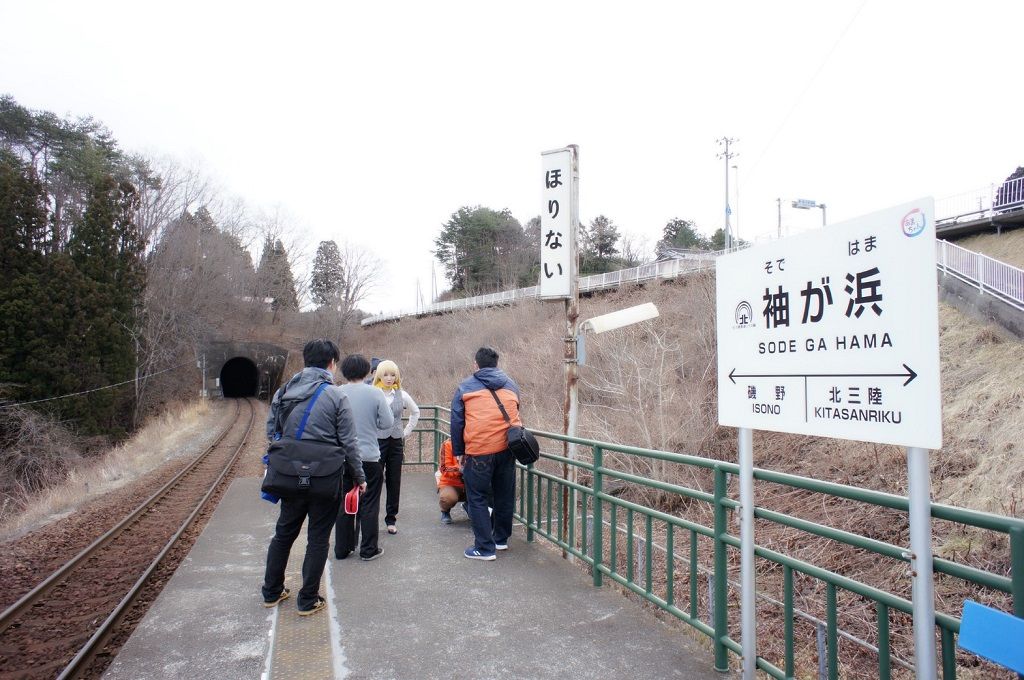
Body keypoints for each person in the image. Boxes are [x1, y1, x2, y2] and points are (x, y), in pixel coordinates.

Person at [261, 339, 366, 616]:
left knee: (284, 532)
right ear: (332, 363)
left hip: (288, 476)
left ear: (306, 360)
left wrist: (292, 455)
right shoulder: (335, 395)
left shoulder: (284, 391)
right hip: (325, 477)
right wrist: (359, 476)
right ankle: (307, 600)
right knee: (318, 538)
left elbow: (271, 432)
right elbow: (349, 443)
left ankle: (271, 592)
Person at [450, 346, 522, 560]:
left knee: (477, 497)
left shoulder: (465, 387)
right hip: (507, 448)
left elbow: (457, 421)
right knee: (504, 495)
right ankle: (500, 540)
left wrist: (459, 451)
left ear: (476, 365)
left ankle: (484, 548)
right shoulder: (511, 385)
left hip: (479, 450)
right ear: (496, 364)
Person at [334, 354, 394, 561]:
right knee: (369, 502)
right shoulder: (375, 393)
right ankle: (368, 550)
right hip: (369, 457)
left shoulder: (336, 393)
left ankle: (342, 549)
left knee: (344, 501)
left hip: (342, 457)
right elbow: (387, 423)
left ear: (344, 371)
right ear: (367, 371)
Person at [373, 360, 420, 534]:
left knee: (394, 480)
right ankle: (370, 518)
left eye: (393, 375)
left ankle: (391, 519)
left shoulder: (402, 394)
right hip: (377, 442)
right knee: (374, 481)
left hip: (396, 442)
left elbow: (416, 412)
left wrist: (406, 431)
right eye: (385, 374)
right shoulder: (373, 393)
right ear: (379, 375)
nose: (389, 378)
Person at [435, 439, 465, 524]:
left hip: (471, 482)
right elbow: (445, 468)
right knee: (448, 498)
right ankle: (445, 511)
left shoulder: (474, 442)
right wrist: (461, 469)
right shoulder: (448, 444)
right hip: (451, 483)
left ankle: (469, 506)